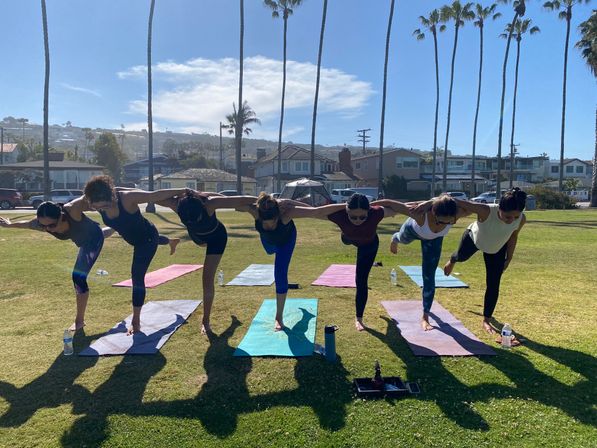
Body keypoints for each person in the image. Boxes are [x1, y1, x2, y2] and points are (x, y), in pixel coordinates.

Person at [81, 175, 184, 334]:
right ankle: (170, 241)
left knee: (137, 276)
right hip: (136, 238)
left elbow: (154, 195)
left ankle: (136, 322)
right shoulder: (97, 202)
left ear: (112, 196)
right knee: (153, 241)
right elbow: (114, 226)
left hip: (147, 238)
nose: (102, 210)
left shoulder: (127, 199)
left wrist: (183, 190)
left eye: (105, 206)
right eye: (98, 208)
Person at [301, 193, 412, 331]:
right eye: (353, 216)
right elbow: (312, 212)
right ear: (346, 211)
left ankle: (359, 318)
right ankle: (347, 235)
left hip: (369, 246)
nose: (358, 220)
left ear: (368, 212)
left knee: (361, 280)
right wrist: (286, 205)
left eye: (362, 217)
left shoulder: (376, 213)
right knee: (347, 238)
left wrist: (426, 204)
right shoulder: (339, 215)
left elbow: (400, 209)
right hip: (349, 238)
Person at [0, 200, 114, 331]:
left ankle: (79, 321)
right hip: (82, 237)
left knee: (78, 277)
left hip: (92, 239)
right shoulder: (42, 224)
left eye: (52, 225)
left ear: (61, 216)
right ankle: (115, 227)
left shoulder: (72, 212)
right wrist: (9, 225)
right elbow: (26, 224)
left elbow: (88, 197)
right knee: (103, 233)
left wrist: (109, 203)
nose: (47, 229)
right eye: (43, 226)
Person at [159, 190, 256, 335]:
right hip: (198, 237)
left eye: (195, 218)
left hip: (216, 238)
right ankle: (230, 324)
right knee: (205, 269)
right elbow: (152, 197)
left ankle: (205, 321)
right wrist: (178, 192)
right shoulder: (177, 204)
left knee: (207, 278)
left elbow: (243, 198)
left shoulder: (210, 203)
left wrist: (267, 200)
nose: (192, 221)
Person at [443, 188, 527, 338]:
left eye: (516, 216)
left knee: (494, 284)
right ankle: (452, 260)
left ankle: (487, 319)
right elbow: (457, 201)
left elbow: (513, 235)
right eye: (508, 216)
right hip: (474, 239)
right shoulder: (485, 211)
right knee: (461, 257)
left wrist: (509, 257)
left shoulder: (521, 219)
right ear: (499, 208)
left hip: (497, 249)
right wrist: (441, 199)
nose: (511, 220)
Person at [382, 194, 462, 331]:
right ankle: (394, 239)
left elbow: (463, 202)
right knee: (402, 239)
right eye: (440, 222)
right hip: (413, 230)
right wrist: (366, 206)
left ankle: (425, 316)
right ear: (433, 212)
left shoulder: (458, 213)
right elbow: (390, 203)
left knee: (429, 275)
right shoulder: (420, 214)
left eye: (449, 222)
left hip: (433, 239)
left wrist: (431, 201)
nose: (444, 225)